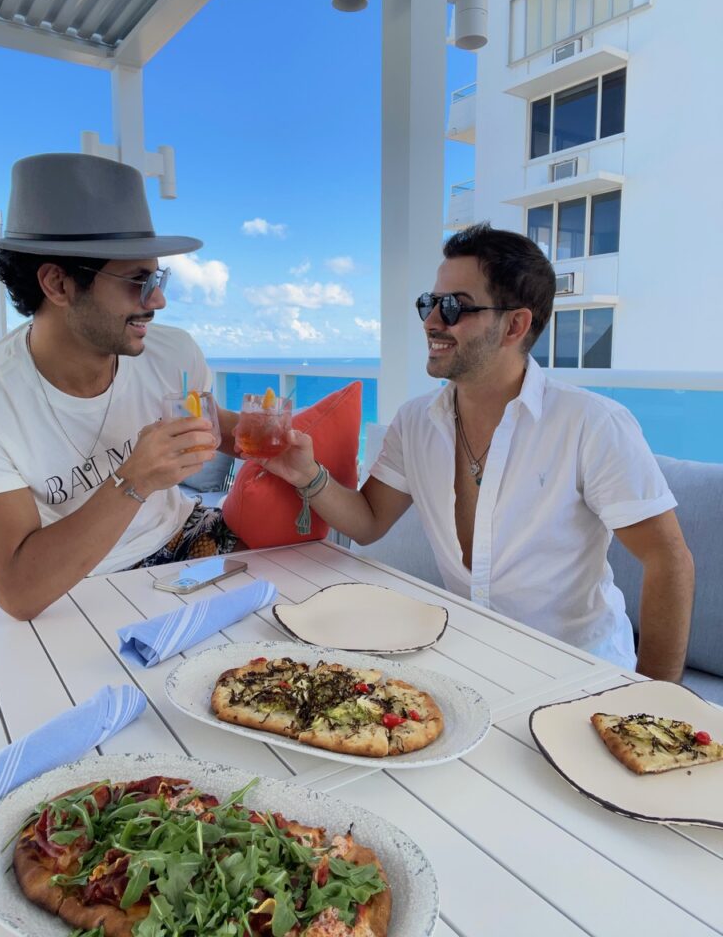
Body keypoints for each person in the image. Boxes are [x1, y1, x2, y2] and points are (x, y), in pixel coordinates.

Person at [262, 223, 694, 681]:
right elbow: (368, 521)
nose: (431, 321)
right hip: (471, 661)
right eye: (429, 304)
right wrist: (306, 473)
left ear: (515, 324)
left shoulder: (591, 423)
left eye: (453, 307)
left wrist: (655, 702)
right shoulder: (415, 422)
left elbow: (668, 560)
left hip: (577, 674)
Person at [0, 153, 241, 621]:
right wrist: (134, 480)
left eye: (158, 277)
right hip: (73, 587)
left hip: (185, 538)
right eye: (137, 280)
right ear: (58, 284)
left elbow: (214, 425)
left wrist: (275, 442)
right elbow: (17, 592)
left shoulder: (172, 353)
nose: (158, 300)